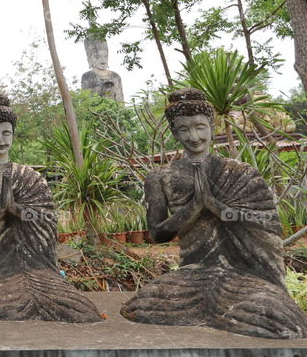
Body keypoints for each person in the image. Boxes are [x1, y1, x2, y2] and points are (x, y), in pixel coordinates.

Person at [120, 88, 307, 339]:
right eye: (184, 129)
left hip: (244, 273)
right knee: (141, 306)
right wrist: (194, 207)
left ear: (211, 126)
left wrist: (217, 208)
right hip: (193, 272)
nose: (194, 137)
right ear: (174, 132)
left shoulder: (239, 172)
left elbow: (265, 222)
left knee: (276, 318)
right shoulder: (160, 177)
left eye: (200, 127)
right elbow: (158, 234)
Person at [0, 94, 101, 322]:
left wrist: (15, 209)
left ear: (13, 134)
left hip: (35, 265)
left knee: (76, 310)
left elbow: (47, 218)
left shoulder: (30, 176)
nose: (0, 139)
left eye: (6, 133)